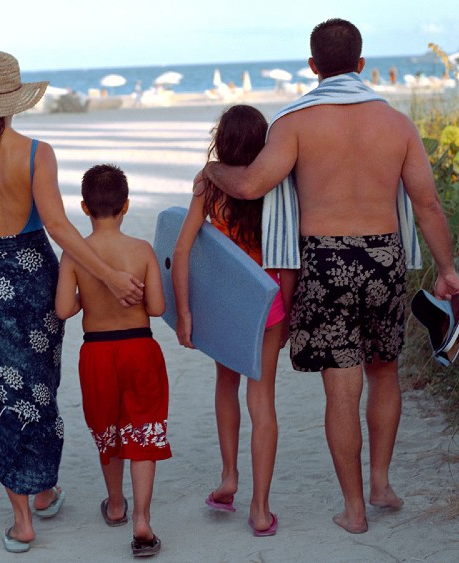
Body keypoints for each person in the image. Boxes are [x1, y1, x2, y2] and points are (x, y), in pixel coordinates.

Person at [200, 19, 459, 534]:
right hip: (385, 256)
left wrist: (213, 172)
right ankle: (381, 483)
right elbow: (427, 203)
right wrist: (448, 270)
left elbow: (252, 184)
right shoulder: (397, 124)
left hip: (325, 262)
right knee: (384, 371)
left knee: (341, 390)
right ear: (362, 65)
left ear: (314, 66)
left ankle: (354, 510)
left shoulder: (295, 123)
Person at [0, 51, 144, 554]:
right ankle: (41, 488)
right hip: (34, 281)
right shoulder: (36, 151)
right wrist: (111, 274)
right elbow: (58, 227)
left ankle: (26, 514)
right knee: (38, 388)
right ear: (16, 97)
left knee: (1, 398)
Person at [173, 105, 292, 537]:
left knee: (226, 384)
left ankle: (229, 477)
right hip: (269, 306)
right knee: (263, 404)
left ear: (221, 143)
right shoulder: (277, 188)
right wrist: (290, 316)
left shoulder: (210, 189)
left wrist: (184, 311)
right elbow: (289, 258)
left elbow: (182, 249)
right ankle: (260, 510)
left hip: (227, 306)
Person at [54, 163, 170, 558]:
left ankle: (116, 504)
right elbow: (156, 306)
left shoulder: (75, 254)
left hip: (97, 352)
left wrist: (89, 295)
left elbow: (61, 310)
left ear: (84, 208)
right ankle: (142, 520)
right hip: (139, 348)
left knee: (107, 429)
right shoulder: (141, 251)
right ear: (127, 206)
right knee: (143, 430)